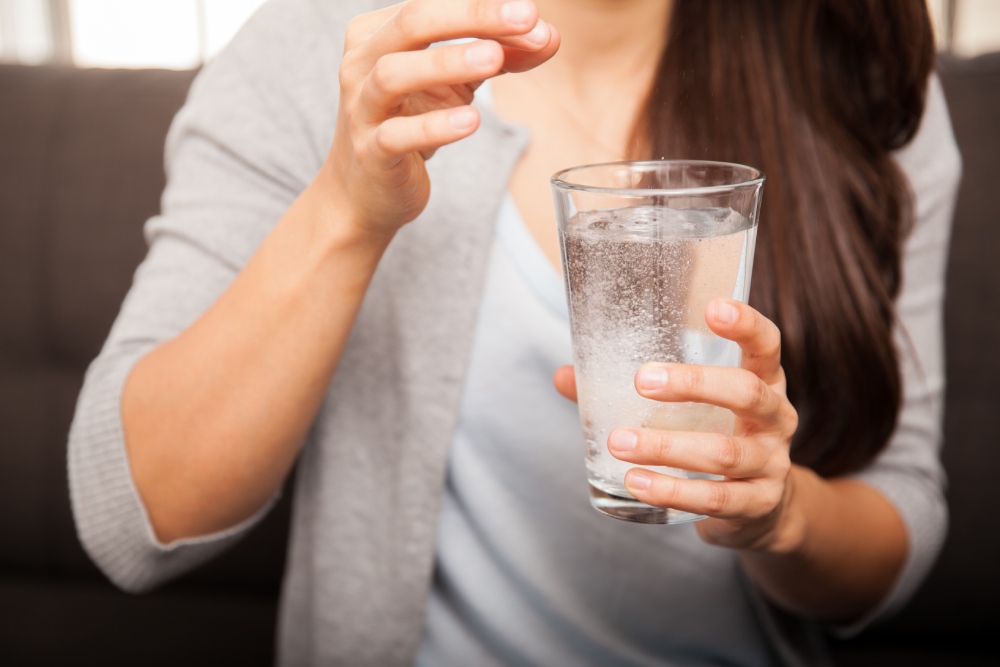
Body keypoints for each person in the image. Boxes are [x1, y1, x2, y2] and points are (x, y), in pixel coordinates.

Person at [67, 0, 961, 665]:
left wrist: (782, 515)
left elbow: (901, 514)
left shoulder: (858, 64)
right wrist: (346, 207)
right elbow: (135, 516)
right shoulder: (325, 50)